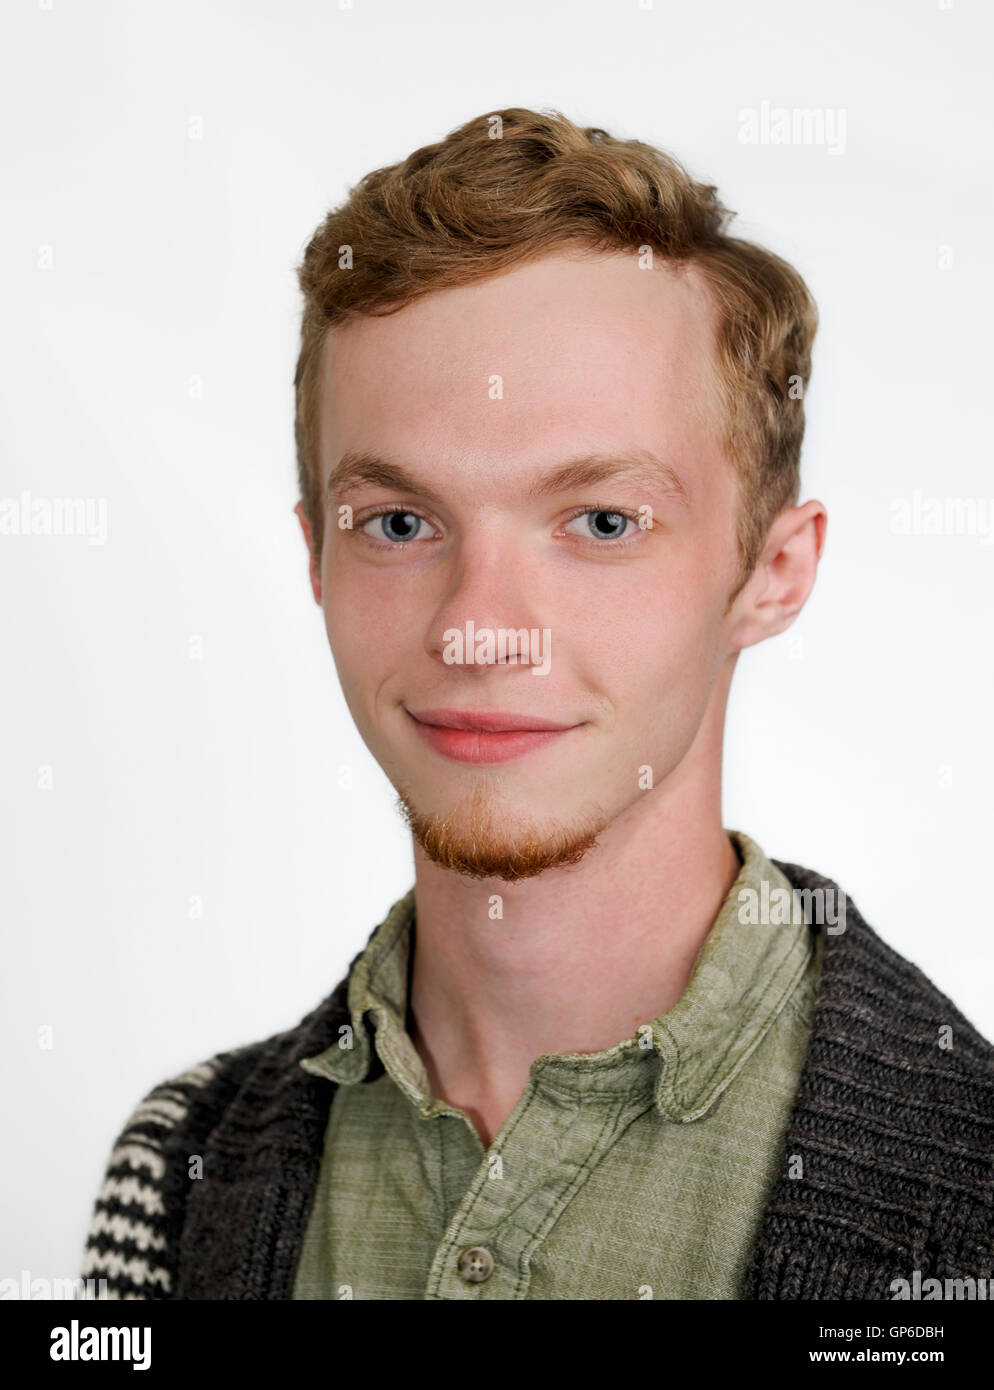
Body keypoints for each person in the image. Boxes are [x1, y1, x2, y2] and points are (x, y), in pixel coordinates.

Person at [82, 107, 994, 1301]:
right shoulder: (177, 1173)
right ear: (317, 557)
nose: (478, 627)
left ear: (773, 572)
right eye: (400, 524)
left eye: (602, 522)